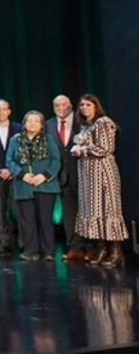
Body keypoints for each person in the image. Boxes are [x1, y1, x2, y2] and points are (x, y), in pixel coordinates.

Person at [72, 93, 128, 267]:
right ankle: (101, 249)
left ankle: (116, 251)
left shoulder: (104, 122)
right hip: (88, 175)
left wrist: (83, 150)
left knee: (108, 209)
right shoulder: (85, 126)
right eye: (82, 105)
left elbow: (106, 148)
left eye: (88, 104)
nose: (84, 108)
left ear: (96, 106)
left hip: (102, 173)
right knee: (94, 210)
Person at [6, 110, 61, 261]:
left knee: (45, 220)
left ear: (41, 125)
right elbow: (9, 161)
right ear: (24, 124)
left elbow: (56, 160)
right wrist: (22, 174)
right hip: (23, 186)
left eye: (36, 121)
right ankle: (31, 250)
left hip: (45, 186)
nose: (32, 124)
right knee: (27, 220)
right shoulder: (15, 140)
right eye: (29, 121)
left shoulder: (48, 139)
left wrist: (44, 176)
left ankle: (48, 251)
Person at [46, 94, 84, 261]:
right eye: (57, 105)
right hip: (63, 176)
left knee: (87, 212)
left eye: (64, 105)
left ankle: (91, 247)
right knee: (69, 213)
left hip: (83, 173)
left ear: (70, 106)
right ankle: (74, 248)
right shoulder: (48, 125)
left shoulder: (81, 122)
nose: (61, 108)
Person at [0, 99, 22, 256]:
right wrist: (0, 169)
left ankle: (22, 242)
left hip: (16, 174)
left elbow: (22, 152)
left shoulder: (19, 128)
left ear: (9, 111)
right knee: (0, 211)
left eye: (4, 109)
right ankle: (3, 242)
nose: (1, 112)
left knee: (18, 209)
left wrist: (12, 169)